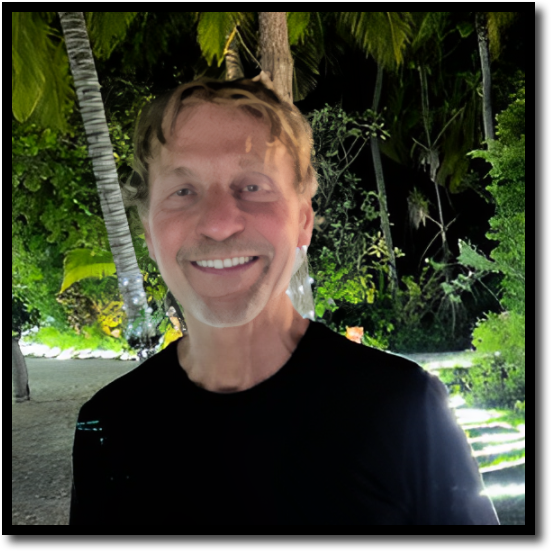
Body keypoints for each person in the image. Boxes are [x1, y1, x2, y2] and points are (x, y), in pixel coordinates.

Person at [69, 76, 499, 525]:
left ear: (303, 223)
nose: (219, 223)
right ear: (148, 234)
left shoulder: (403, 408)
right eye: (183, 191)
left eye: (252, 186)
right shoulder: (109, 424)